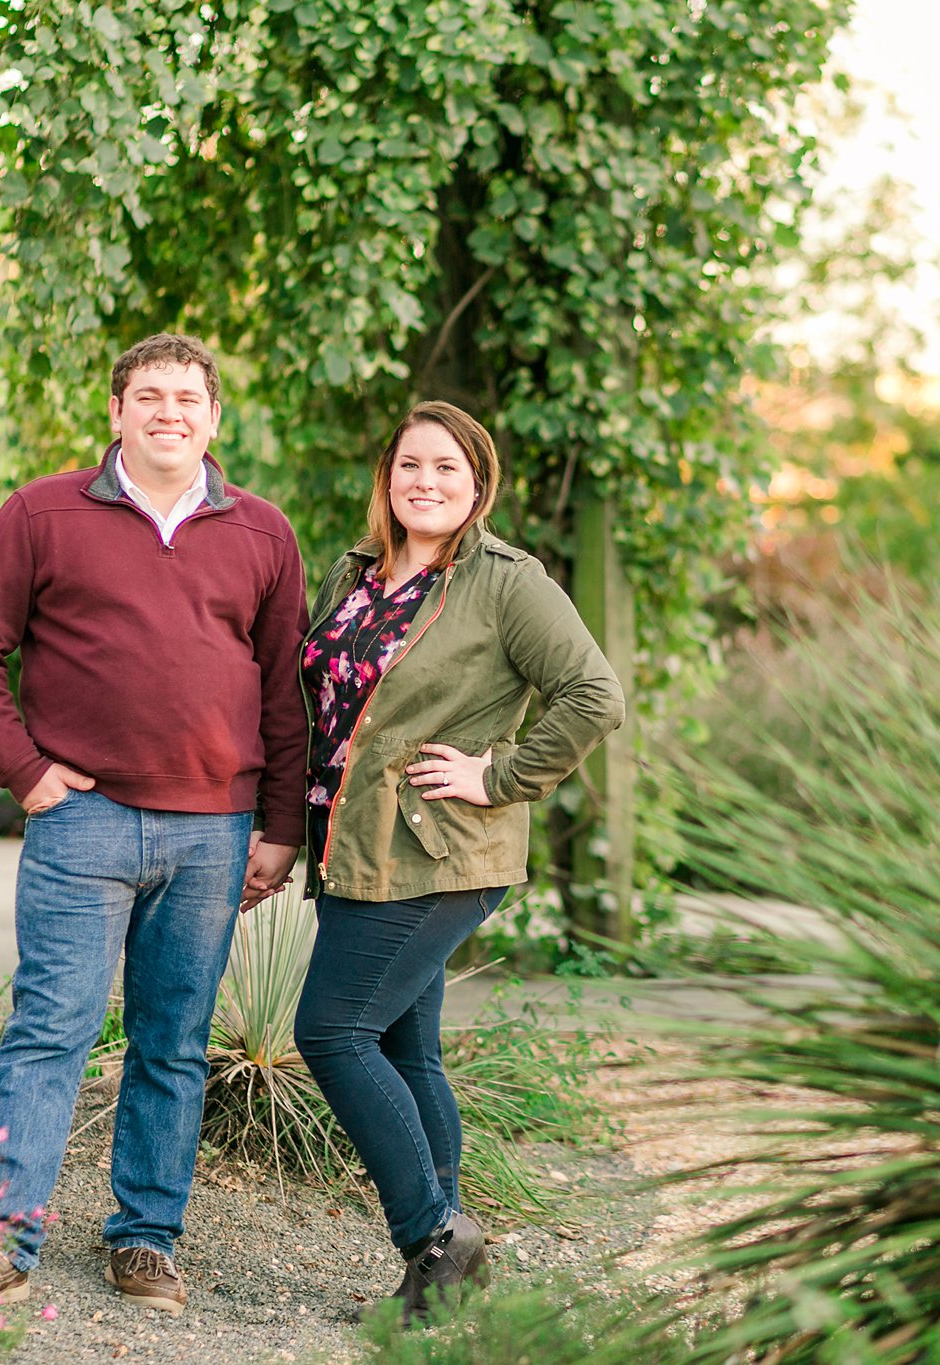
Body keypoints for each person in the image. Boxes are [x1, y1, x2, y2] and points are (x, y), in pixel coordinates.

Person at [0, 333, 308, 1317]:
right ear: (116, 412)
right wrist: (23, 772)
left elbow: (283, 694)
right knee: (48, 1029)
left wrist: (279, 825)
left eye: (187, 398)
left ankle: (144, 1239)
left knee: (172, 1042)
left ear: (214, 417)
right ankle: (0, 1237)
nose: (168, 413)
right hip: (83, 823)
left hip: (212, 831)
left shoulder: (264, 535)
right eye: (149, 397)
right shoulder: (44, 514)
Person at [290, 400, 625, 1323]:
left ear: (478, 484)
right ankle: (450, 1283)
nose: (425, 482)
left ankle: (435, 1238)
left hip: (439, 850)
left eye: (446, 467)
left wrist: (501, 774)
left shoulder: (505, 581)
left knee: (331, 1030)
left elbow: (594, 694)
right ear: (386, 477)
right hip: (355, 848)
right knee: (405, 1043)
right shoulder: (358, 571)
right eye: (409, 465)